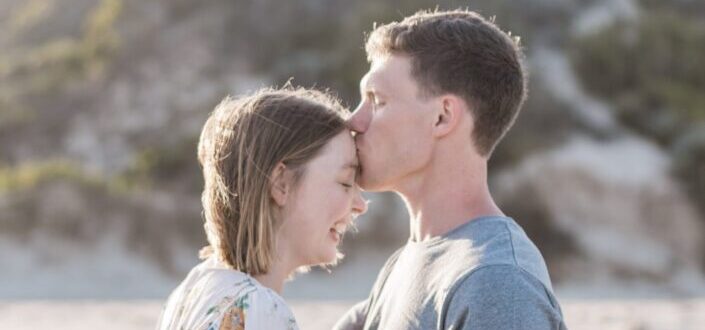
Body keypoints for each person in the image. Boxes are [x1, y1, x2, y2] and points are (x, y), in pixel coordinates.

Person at [334, 9, 566, 329]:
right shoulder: (406, 263)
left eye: (377, 100)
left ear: (442, 116)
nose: (354, 121)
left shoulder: (496, 282)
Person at [157, 86, 368, 330]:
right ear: (281, 183)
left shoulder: (195, 288)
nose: (360, 205)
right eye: (345, 182)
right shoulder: (260, 309)